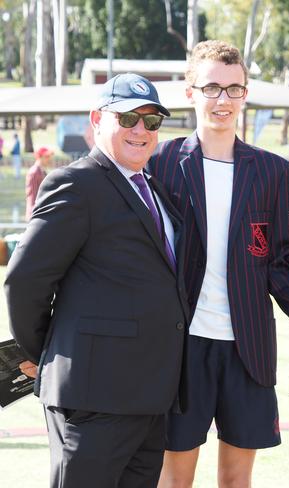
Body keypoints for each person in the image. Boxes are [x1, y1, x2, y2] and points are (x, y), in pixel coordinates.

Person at [148, 40, 289, 488]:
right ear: (190, 93)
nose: (222, 100)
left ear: (245, 94)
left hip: (249, 348)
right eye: (211, 88)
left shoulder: (269, 170)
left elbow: (278, 263)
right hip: (181, 348)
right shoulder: (162, 162)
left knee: (236, 481)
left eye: (233, 89)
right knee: (174, 479)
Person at [5, 73, 189, 488]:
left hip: (148, 398)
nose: (140, 129)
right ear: (97, 120)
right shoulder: (76, 183)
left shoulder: (153, 188)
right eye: (127, 118)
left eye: (151, 120)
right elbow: (25, 281)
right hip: (92, 400)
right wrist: (49, 351)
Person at [25, 145, 54, 220]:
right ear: (39, 157)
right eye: (47, 156)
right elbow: (33, 195)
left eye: (49, 156)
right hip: (35, 214)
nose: (49, 159)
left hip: (41, 213)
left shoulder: (42, 171)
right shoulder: (34, 172)